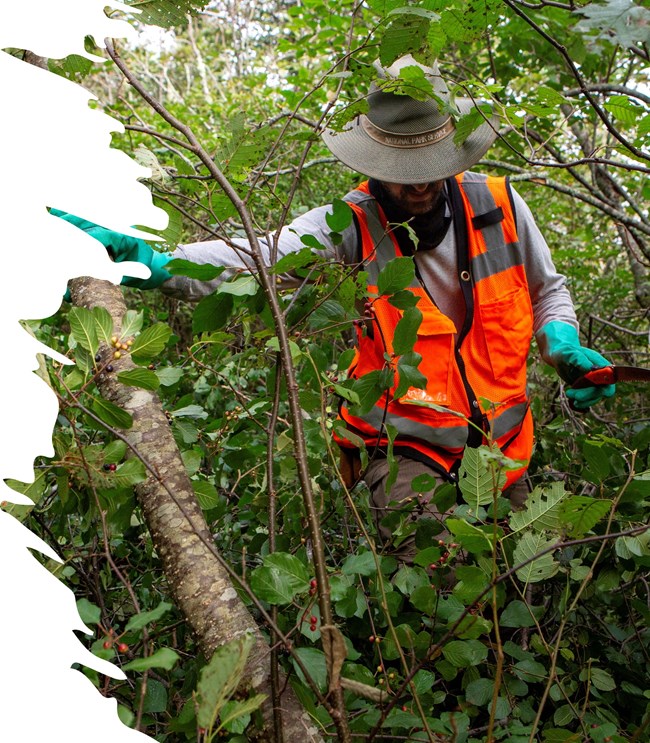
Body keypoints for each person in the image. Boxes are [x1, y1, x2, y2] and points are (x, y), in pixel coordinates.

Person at [54, 56, 615, 552]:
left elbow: (548, 292)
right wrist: (150, 262)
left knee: (525, 592)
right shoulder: (349, 222)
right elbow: (258, 257)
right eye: (404, 174)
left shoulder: (499, 203)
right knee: (441, 581)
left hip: (503, 452)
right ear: (373, 165)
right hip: (404, 448)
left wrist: (560, 342)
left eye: (432, 168)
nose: (420, 186)